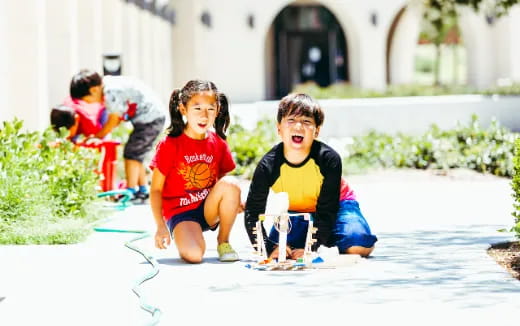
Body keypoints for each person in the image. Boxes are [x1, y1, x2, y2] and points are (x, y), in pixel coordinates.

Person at [244, 93, 377, 259]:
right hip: (298, 212)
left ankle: (329, 237)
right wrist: (269, 247)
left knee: (358, 245)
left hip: (338, 206)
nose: (298, 126)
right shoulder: (268, 165)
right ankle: (319, 237)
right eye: (291, 120)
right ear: (279, 128)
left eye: (306, 122)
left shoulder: (329, 159)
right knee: (282, 252)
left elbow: (327, 208)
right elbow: (253, 211)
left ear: (317, 131)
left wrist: (312, 247)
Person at [149, 80, 241, 263]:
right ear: (183, 109)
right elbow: (156, 190)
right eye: (197, 109)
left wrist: (234, 200)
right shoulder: (170, 145)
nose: (204, 116)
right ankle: (188, 234)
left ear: (218, 109)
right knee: (194, 255)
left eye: (210, 109)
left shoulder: (218, 143)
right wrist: (160, 226)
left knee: (232, 184)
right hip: (181, 212)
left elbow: (224, 182)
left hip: (207, 208)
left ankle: (223, 241)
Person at [69, 69, 166, 201]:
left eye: (87, 100)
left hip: (150, 118)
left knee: (131, 154)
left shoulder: (110, 92)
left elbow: (113, 120)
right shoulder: (109, 84)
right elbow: (116, 119)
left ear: (93, 91)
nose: (90, 103)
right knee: (137, 154)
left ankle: (131, 191)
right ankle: (142, 189)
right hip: (152, 117)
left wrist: (97, 136)